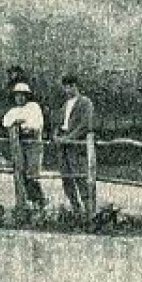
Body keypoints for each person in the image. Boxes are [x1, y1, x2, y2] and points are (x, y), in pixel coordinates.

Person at [0, 81, 47, 206]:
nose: (20, 98)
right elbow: (6, 121)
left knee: (32, 174)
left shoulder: (33, 107)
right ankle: (25, 203)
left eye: (22, 95)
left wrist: (21, 124)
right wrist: (17, 122)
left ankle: (39, 202)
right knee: (20, 173)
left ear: (27, 96)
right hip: (19, 145)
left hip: (33, 144)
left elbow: (35, 125)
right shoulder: (13, 110)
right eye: (17, 95)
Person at [56, 74, 96, 212]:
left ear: (76, 86)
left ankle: (89, 209)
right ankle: (75, 209)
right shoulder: (64, 106)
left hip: (77, 144)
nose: (68, 90)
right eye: (65, 87)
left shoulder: (85, 103)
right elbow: (59, 124)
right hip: (63, 145)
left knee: (79, 175)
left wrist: (70, 138)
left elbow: (86, 124)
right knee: (65, 176)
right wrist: (57, 136)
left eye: (71, 86)